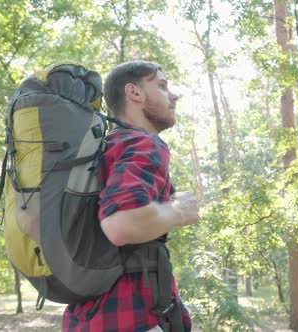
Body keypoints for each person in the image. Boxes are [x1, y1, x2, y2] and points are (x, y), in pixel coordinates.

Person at [62, 60, 200, 332]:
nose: (174, 95)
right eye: (161, 86)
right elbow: (121, 224)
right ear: (134, 93)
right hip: (132, 316)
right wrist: (180, 211)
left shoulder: (102, 151)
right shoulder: (142, 142)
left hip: (85, 317)